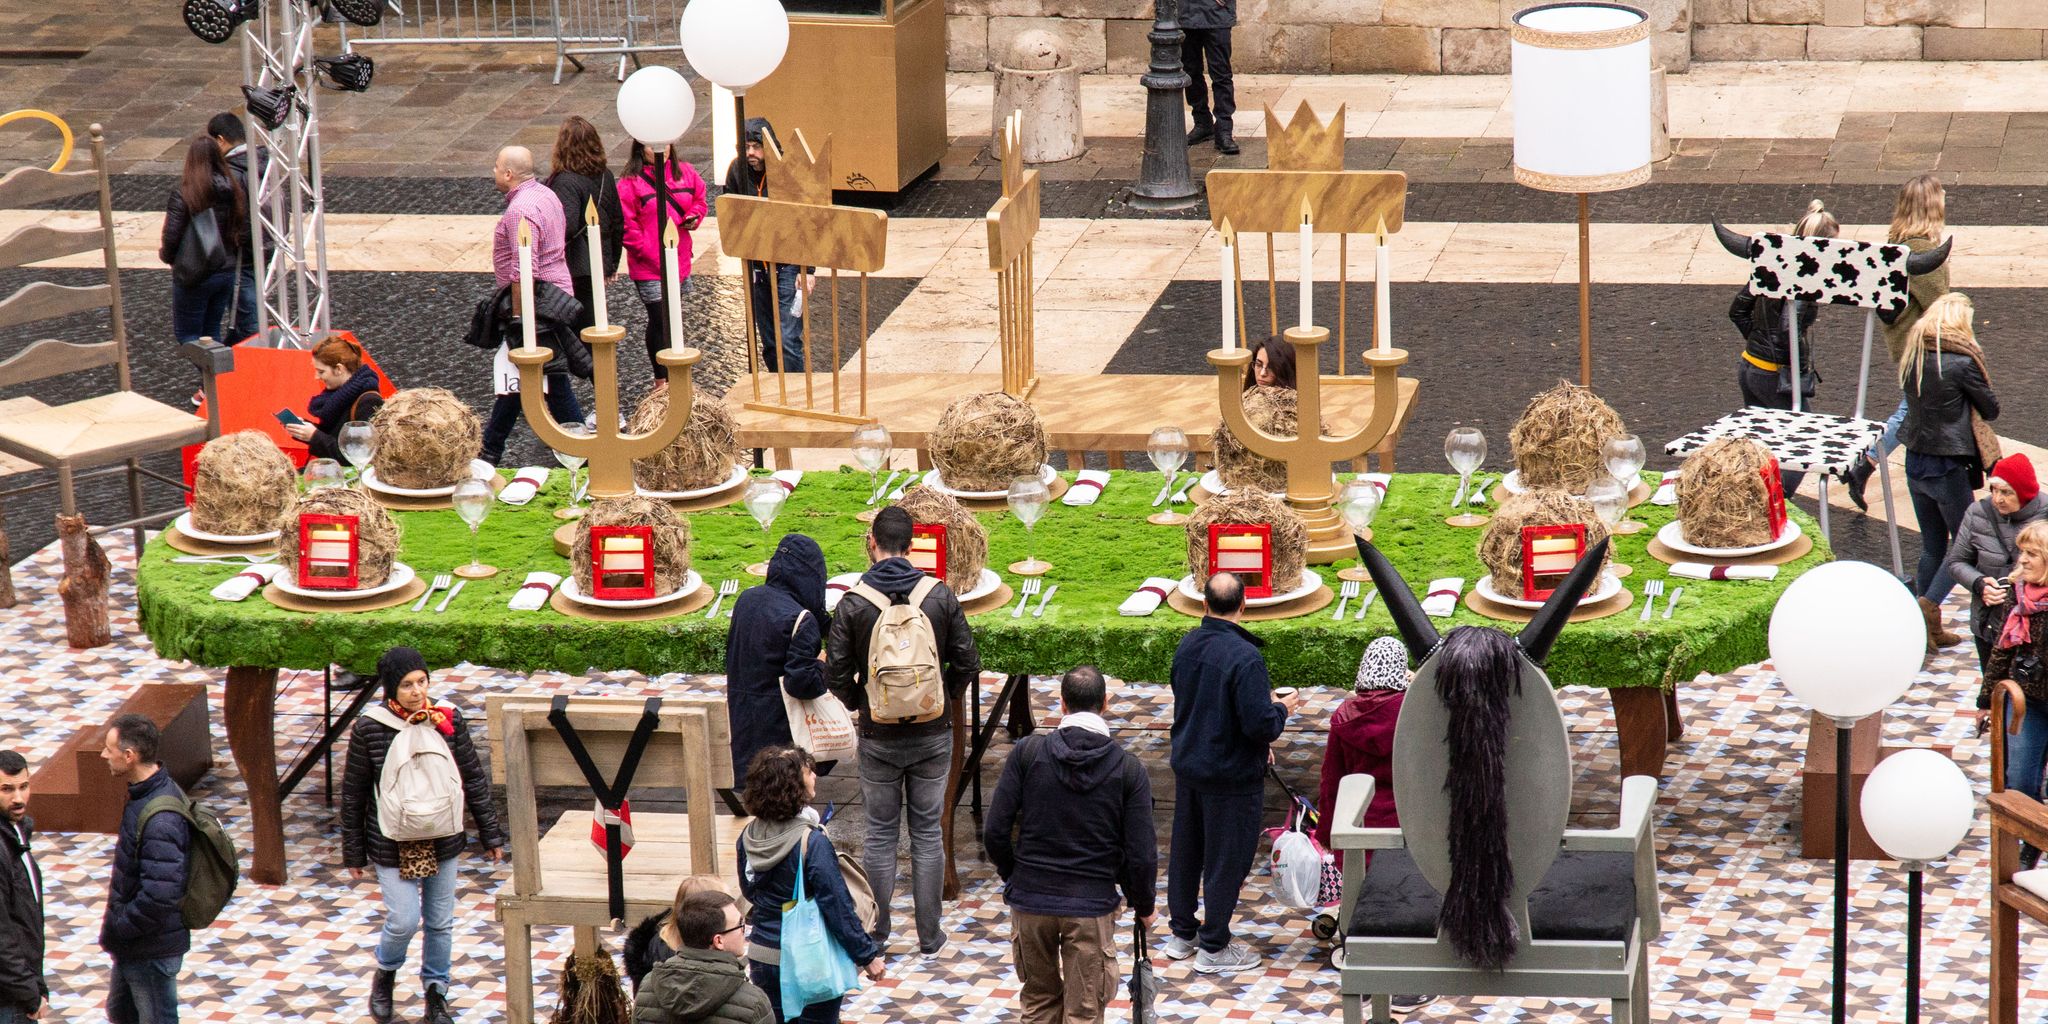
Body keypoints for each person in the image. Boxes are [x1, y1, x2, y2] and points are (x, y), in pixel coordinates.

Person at [825, 506, 982, 958]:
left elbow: (836, 674)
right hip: (933, 734)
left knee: (879, 835)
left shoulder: (853, 602)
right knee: (928, 833)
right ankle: (930, 936)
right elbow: (968, 661)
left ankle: (878, 932)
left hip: (879, 737)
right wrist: (944, 701)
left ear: (871, 543)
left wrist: (864, 703)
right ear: (912, 545)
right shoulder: (939, 595)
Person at [983, 666, 1156, 1024]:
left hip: (1030, 902)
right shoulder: (1128, 769)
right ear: (1105, 703)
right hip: (1090, 907)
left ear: (1061, 704)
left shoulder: (1028, 753)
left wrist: (1017, 876)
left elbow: (995, 831)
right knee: (1085, 1012)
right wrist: (1144, 904)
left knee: (1038, 1005)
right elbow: (1140, 853)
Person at [341, 647, 505, 1024]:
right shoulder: (370, 727)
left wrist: (490, 834)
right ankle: (385, 974)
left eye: (421, 681)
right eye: (406, 685)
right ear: (390, 689)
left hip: (442, 834)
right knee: (403, 919)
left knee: (440, 921)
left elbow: (472, 775)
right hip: (391, 840)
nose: (417, 691)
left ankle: (436, 993)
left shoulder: (446, 719)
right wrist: (353, 853)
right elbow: (354, 793)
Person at [1162, 573, 1297, 973]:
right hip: (1231, 778)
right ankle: (1214, 947)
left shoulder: (1187, 645)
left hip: (1190, 767)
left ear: (1204, 605)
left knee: (1186, 855)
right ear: (1243, 607)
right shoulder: (1246, 658)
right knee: (1227, 861)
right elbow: (1261, 725)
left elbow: (1199, 705)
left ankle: (1182, 935)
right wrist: (1284, 708)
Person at [735, 747, 884, 1023]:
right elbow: (836, 905)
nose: (814, 775)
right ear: (792, 786)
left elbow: (748, 891)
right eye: (808, 771)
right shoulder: (811, 842)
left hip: (763, 957)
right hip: (808, 959)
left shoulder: (747, 836)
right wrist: (867, 955)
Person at [1844, 173, 1953, 510]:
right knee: (1910, 413)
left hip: (1905, 346)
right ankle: (1864, 464)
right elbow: (1940, 303)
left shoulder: (1897, 245)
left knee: (1911, 410)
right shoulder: (1920, 250)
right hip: (1922, 348)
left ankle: (1865, 466)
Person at [1897, 292, 1997, 654]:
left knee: (1932, 544)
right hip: (1948, 464)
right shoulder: (1962, 362)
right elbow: (1991, 407)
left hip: (1915, 460)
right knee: (1964, 543)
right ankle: (1927, 608)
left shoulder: (1912, 354)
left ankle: (1927, 626)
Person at [484, 144, 588, 465]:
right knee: (537, 378)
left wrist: (517, 317)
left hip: (536, 307)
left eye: (496, 166)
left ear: (508, 173)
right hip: (556, 296)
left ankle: (581, 450)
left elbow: (521, 271)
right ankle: (489, 450)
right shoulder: (546, 195)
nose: (493, 171)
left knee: (544, 378)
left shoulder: (519, 211)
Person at [1731, 199, 1839, 494]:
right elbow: (1790, 329)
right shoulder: (1806, 280)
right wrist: (1792, 363)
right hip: (1775, 378)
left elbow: (1737, 311)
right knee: (1806, 442)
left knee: (1760, 446)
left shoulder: (1770, 266)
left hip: (1749, 366)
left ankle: (1752, 502)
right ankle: (1779, 503)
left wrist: (1758, 343)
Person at [98, 715, 190, 1024]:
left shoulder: (160, 818)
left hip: (149, 949)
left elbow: (161, 895)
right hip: (137, 946)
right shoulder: (146, 793)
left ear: (129, 756)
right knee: (121, 1013)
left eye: (109, 749)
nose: (103, 755)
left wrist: (121, 926)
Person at [725, 534, 830, 789]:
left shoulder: (746, 600)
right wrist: (823, 664)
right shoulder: (801, 619)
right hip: (781, 741)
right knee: (780, 804)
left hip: (744, 728)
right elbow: (802, 684)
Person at [722, 118, 813, 374]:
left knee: (788, 340)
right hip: (758, 267)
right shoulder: (738, 171)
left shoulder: (788, 172)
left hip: (789, 267)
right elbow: (730, 211)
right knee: (770, 342)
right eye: (746, 147)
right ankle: (778, 388)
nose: (751, 153)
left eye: (756, 146)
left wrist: (809, 271)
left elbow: (807, 222)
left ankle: (795, 394)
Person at [1982, 521, 2048, 867]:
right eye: (2022, 552)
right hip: (2027, 702)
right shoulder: (2018, 593)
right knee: (2019, 778)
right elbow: (2002, 649)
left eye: (2031, 554)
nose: (2022, 560)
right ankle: (2030, 842)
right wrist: (1985, 701)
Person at [1948, 454, 2046, 677]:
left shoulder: (2045, 515)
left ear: (2024, 492)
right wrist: (1980, 584)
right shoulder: (1977, 513)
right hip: (1990, 621)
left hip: (2037, 627)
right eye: (1994, 490)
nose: (1997, 499)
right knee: (1995, 690)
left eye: (2006, 492)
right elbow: (1956, 561)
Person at [619, 140, 708, 382]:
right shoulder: (630, 182)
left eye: (666, 143)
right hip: (649, 266)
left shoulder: (686, 172)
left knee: (673, 316)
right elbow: (627, 225)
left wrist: (694, 216)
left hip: (678, 261)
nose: (661, 148)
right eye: (651, 145)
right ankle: (661, 380)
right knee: (660, 319)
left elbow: (700, 199)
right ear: (640, 149)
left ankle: (674, 374)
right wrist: (648, 251)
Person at [632, 889, 775, 1024]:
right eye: (741, 924)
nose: (745, 931)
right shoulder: (754, 1003)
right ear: (718, 941)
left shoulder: (647, 988)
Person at [159, 135, 245, 345]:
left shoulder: (185, 194)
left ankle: (216, 377)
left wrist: (168, 257)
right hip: (226, 268)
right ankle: (216, 376)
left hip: (196, 272)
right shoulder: (233, 190)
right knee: (211, 331)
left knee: (187, 335)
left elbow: (172, 235)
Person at [545, 116, 624, 340]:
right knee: (595, 328)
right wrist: (611, 264)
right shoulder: (605, 175)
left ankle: (595, 374)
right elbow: (618, 221)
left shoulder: (564, 181)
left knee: (577, 336)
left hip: (575, 268)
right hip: (597, 263)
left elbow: (567, 227)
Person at [206, 112, 265, 344]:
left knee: (246, 311)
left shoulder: (233, 171)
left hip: (244, 251)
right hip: (267, 243)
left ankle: (249, 353)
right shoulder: (264, 161)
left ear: (221, 139)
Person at [626, 875, 736, 993]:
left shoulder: (658, 943)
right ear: (704, 913)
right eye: (726, 903)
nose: (733, 909)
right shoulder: (671, 961)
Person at [284, 334, 383, 463]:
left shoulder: (368, 402)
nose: (316, 377)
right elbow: (334, 435)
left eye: (321, 371)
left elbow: (358, 456)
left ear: (339, 369)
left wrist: (314, 436)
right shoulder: (339, 395)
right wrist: (303, 430)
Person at [0, 750, 45, 1024]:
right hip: (9, 999)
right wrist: (30, 992)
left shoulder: (17, 833)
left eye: (23, 787)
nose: (18, 798)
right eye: (7, 789)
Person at [1181, 0, 1239, 155]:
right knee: (1191, 71)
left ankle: (1224, 129)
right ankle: (1202, 122)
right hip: (1185, 13)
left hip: (1217, 14)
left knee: (1221, 74)